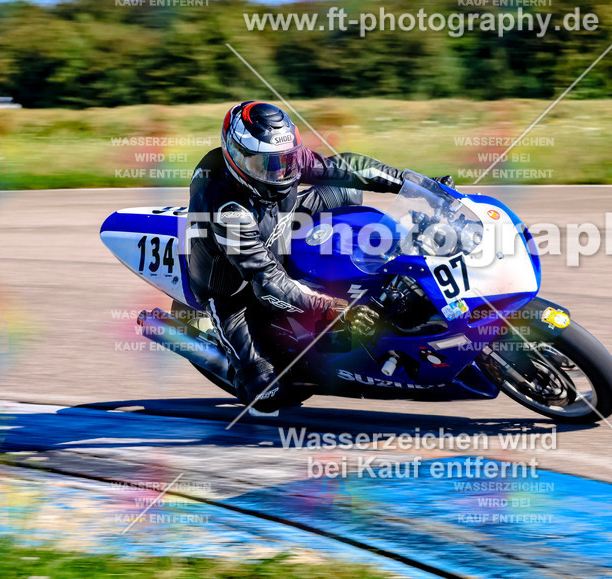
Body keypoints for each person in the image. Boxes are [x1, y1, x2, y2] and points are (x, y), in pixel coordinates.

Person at [187, 101, 451, 409]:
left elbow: (346, 168)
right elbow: (267, 282)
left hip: (278, 225)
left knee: (346, 191)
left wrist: (420, 185)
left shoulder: (279, 159)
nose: (281, 172)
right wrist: (335, 308)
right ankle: (243, 367)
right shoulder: (227, 210)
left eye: (286, 160)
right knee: (269, 393)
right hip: (235, 290)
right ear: (237, 158)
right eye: (267, 165)